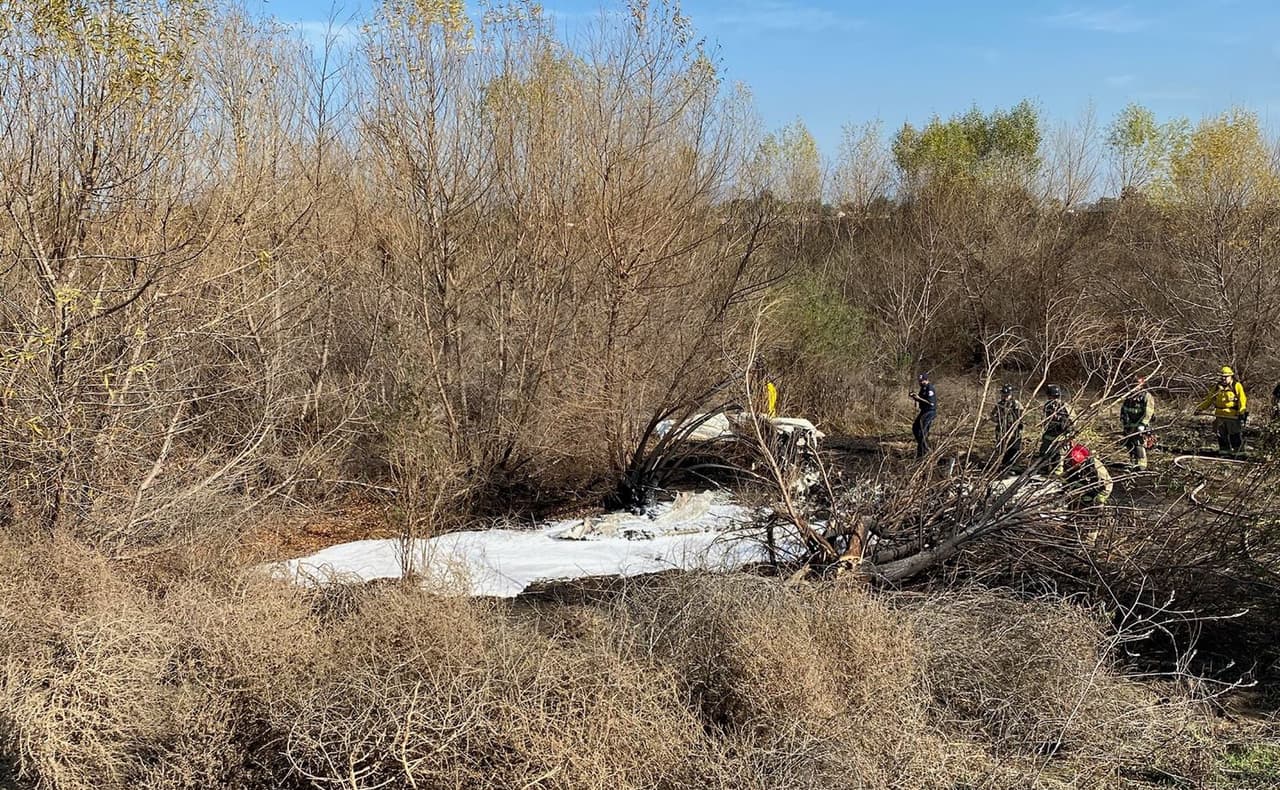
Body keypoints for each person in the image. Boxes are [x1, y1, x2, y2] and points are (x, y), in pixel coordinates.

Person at [1196, 366, 1248, 457]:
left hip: (1232, 416)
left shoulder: (1236, 386)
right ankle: (1225, 451)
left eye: (1226, 376)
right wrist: (1200, 408)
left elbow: (1242, 399)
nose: (1224, 378)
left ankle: (1239, 452)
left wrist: (1242, 410)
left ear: (1231, 376)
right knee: (1221, 434)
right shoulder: (1217, 387)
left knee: (1234, 434)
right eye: (1222, 377)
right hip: (1219, 415)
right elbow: (1209, 400)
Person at [1038, 384, 1076, 475]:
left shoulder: (1064, 407)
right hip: (1049, 434)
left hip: (1061, 435)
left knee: (1058, 455)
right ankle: (1043, 470)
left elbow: (1073, 422)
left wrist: (1067, 429)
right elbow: (1044, 421)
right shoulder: (1047, 406)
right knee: (1044, 453)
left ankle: (1056, 475)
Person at [1119, 375, 1155, 470]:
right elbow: (1124, 410)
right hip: (1129, 426)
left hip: (1140, 427)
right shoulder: (1129, 397)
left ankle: (1141, 466)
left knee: (1139, 444)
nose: (1135, 386)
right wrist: (1125, 423)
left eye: (1137, 384)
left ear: (1142, 384)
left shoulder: (1147, 396)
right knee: (1130, 445)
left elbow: (1149, 412)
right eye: (1133, 384)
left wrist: (1142, 425)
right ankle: (1133, 464)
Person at [1064, 442, 1112, 507]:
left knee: (1090, 501)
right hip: (1086, 483)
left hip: (1101, 488)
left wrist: (1098, 498)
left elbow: (1105, 485)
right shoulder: (1073, 461)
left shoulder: (1098, 470)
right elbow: (1069, 477)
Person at [990, 384, 1024, 472]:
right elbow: (992, 415)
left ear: (1011, 394)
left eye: (1006, 395)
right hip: (1002, 431)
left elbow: (1020, 417)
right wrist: (998, 420)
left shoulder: (1016, 404)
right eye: (1003, 395)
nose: (1004, 397)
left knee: (1014, 449)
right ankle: (1004, 466)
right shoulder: (999, 404)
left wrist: (1016, 425)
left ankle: (1012, 466)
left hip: (1014, 432)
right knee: (1003, 449)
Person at [910, 373, 937, 459]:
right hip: (923, 411)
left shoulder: (930, 389)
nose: (920, 382)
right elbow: (921, 399)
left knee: (922, 431)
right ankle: (921, 449)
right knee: (915, 428)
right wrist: (915, 397)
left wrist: (918, 398)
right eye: (919, 381)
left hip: (929, 412)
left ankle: (926, 450)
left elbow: (930, 403)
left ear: (926, 380)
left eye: (922, 381)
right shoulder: (923, 388)